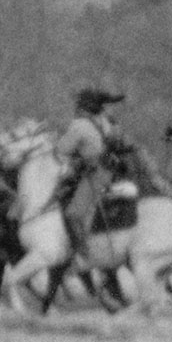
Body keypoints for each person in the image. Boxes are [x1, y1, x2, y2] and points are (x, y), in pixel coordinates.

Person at [55, 88, 126, 254]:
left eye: (78, 104)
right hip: (107, 170)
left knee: (73, 213)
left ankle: (83, 252)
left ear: (83, 107)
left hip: (95, 173)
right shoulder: (104, 122)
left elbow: (62, 150)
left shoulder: (79, 125)